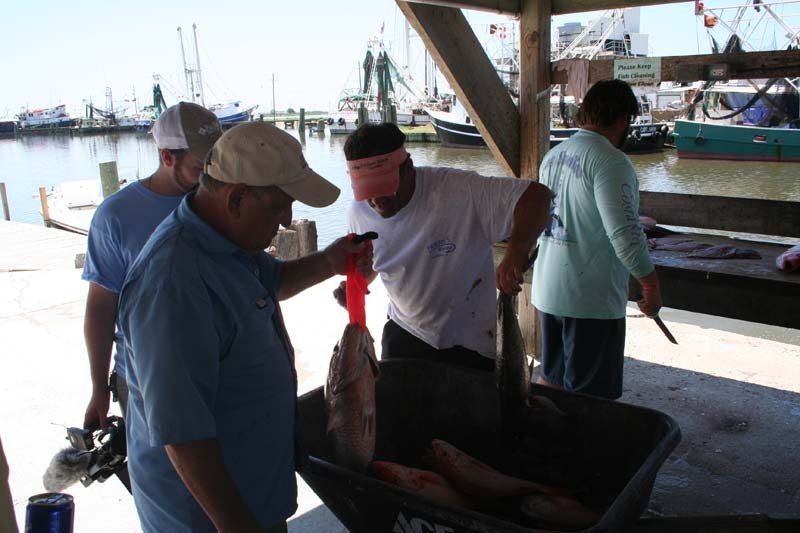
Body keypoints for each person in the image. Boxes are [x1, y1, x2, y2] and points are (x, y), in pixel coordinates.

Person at [117, 122, 372, 533]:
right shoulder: (172, 284)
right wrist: (235, 523)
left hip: (253, 492)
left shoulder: (230, 242)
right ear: (235, 198)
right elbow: (180, 430)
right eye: (279, 206)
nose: (289, 220)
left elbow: (270, 284)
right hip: (208, 516)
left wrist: (330, 261)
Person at [336, 122, 552, 372]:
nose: (376, 200)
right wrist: (359, 283)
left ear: (408, 167)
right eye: (367, 191)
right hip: (405, 331)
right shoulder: (358, 212)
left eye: (384, 188)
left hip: (470, 339)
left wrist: (516, 251)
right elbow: (375, 261)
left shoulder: (460, 190)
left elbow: (537, 196)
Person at [82, 102, 221, 430]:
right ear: (167, 157)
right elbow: (100, 310)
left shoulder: (218, 201)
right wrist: (99, 388)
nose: (214, 175)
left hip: (219, 370)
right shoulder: (114, 217)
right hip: (146, 381)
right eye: (203, 166)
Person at [533, 79, 662, 400]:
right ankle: (584, 450)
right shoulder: (612, 161)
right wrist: (650, 284)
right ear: (621, 120)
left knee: (555, 384)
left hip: (550, 289)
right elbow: (624, 234)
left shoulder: (555, 155)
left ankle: (553, 447)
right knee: (592, 399)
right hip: (589, 298)